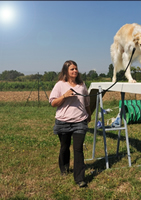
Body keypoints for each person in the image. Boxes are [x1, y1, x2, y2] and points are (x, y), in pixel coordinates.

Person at [49, 60, 91, 188]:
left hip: (80, 121)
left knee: (78, 150)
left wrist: (89, 115)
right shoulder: (60, 85)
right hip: (63, 122)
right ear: (66, 71)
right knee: (64, 147)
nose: (75, 71)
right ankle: (64, 168)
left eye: (76, 69)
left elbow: (87, 102)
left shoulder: (82, 85)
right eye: (72, 69)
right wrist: (64, 96)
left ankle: (79, 178)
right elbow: (53, 103)